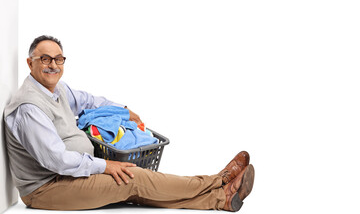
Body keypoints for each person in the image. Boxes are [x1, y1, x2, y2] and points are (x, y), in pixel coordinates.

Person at [4, 35, 255, 212]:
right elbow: (56, 160)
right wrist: (105, 166)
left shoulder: (57, 89)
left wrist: (123, 111)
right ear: (30, 63)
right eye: (45, 59)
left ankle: (220, 199)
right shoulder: (29, 107)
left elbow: (89, 101)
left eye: (59, 59)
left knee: (137, 189)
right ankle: (218, 180)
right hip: (47, 188)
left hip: (68, 177)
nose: (53, 66)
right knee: (132, 179)